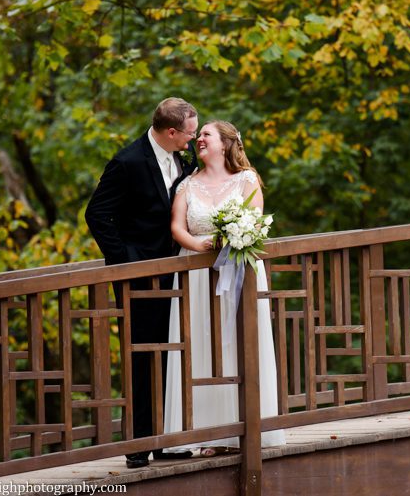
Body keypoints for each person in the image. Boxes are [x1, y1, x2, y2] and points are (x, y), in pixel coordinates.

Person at [85, 97, 200, 469]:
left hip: (176, 273)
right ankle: (137, 443)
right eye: (189, 134)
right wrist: (126, 261)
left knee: (170, 354)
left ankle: (165, 437)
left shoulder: (181, 159)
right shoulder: (128, 161)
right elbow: (97, 214)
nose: (193, 141)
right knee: (140, 357)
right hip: (138, 276)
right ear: (170, 132)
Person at [163, 120, 286, 456]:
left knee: (238, 343)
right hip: (197, 275)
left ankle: (246, 427)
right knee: (201, 345)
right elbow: (177, 227)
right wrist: (201, 245)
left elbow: (256, 222)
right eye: (198, 134)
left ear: (226, 143)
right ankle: (205, 433)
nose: (198, 139)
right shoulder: (187, 185)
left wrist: (233, 239)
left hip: (240, 270)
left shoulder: (247, 180)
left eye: (206, 134)